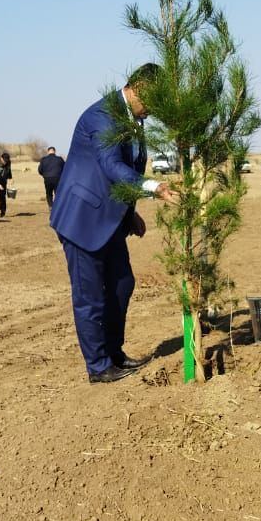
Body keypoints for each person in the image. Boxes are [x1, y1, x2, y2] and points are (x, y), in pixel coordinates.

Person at [50, 63, 175, 383]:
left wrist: (129, 212)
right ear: (138, 88)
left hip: (110, 219)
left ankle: (114, 353)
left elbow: (129, 165)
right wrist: (155, 188)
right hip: (82, 220)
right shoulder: (102, 116)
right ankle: (99, 366)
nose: (155, 110)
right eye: (154, 101)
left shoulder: (134, 119)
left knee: (122, 283)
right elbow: (112, 167)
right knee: (90, 296)